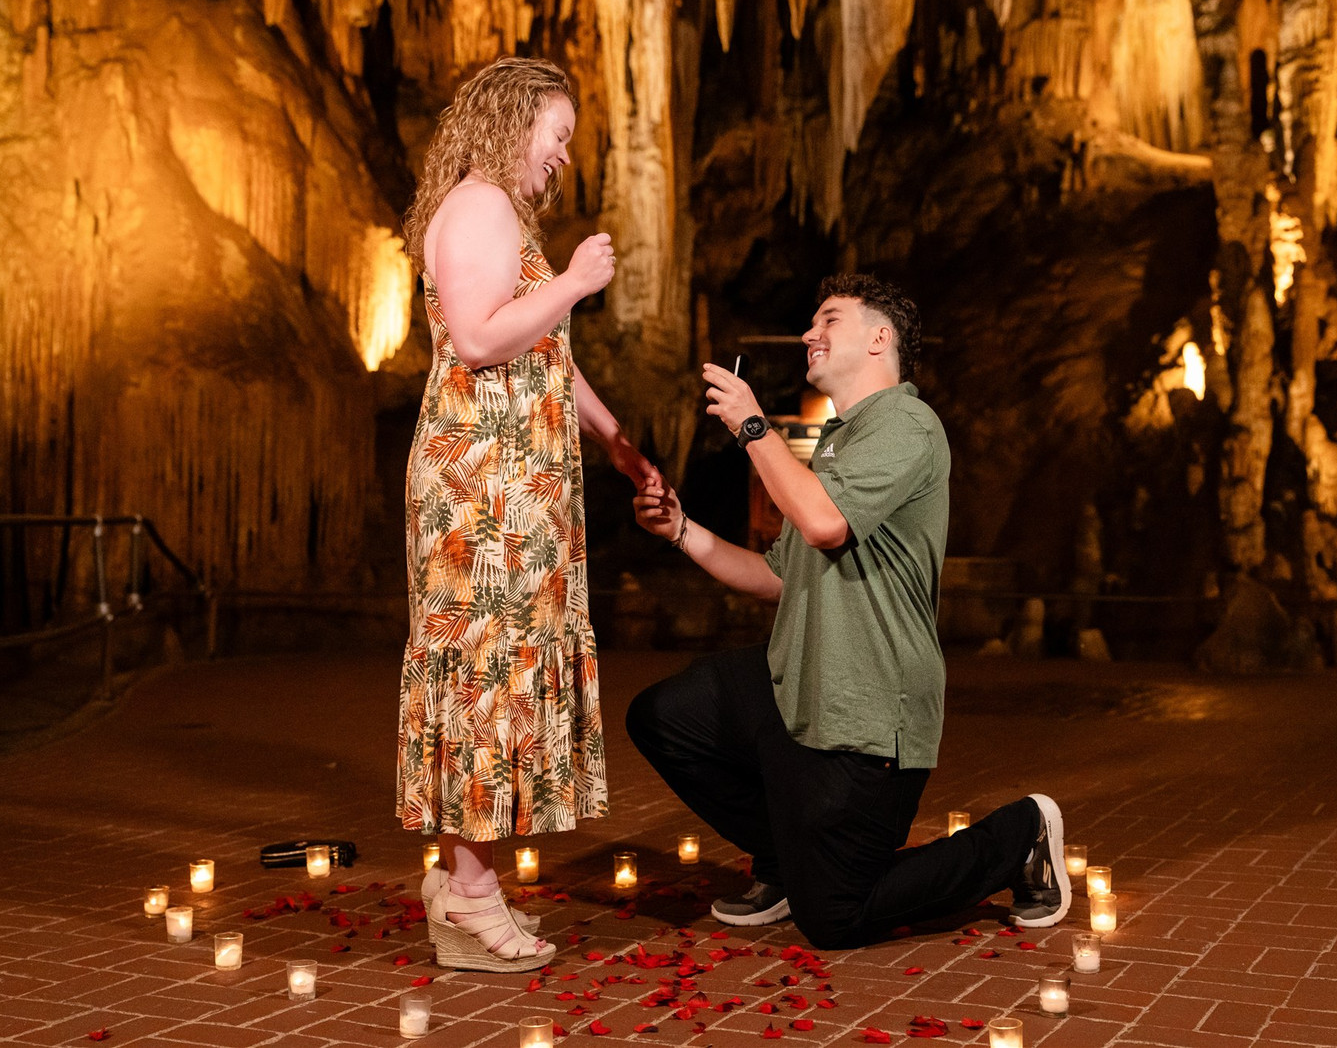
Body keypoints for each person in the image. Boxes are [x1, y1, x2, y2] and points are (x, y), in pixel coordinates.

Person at [627, 274, 1069, 950]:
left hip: (867, 705)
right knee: (665, 717)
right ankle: (785, 855)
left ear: (880, 339)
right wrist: (682, 530)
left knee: (834, 914)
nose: (810, 333)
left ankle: (1019, 837)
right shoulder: (838, 442)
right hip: (797, 683)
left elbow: (827, 524)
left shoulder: (907, 423)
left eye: (828, 318)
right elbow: (777, 577)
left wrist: (753, 426)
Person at [396, 56, 659, 973]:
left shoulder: (502, 213)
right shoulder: (478, 207)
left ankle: (457, 877)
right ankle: (471, 895)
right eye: (558, 136)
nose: (562, 157)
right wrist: (578, 281)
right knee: (486, 669)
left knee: (496, 665)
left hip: (516, 478)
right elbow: (475, 338)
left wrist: (617, 440)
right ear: (513, 124)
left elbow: (537, 344)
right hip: (484, 485)